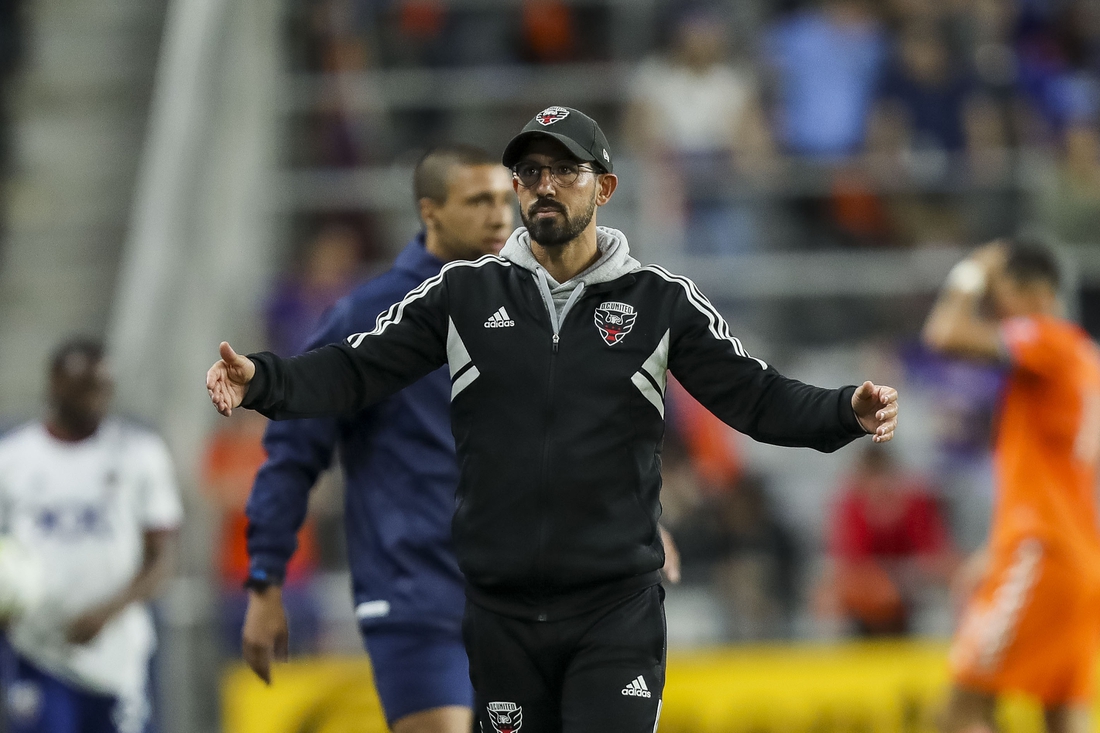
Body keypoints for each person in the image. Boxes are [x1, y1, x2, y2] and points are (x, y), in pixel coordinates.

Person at [209, 106, 899, 733]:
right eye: (530, 171)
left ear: (604, 188)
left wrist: (844, 410)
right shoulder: (462, 294)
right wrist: (263, 379)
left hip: (614, 610)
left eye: (564, 170)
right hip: (501, 614)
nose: (543, 184)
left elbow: (759, 398)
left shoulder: (658, 302)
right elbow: (354, 369)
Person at [241, 144, 515, 733]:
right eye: (479, 201)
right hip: (414, 593)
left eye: (505, 200)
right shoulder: (366, 319)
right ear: (430, 212)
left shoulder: (530, 311)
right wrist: (265, 579)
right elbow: (294, 454)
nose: (500, 216)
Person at [922, 240, 1100, 733]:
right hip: (1077, 558)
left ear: (1035, 293)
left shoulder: (1045, 336)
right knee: (1064, 714)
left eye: (1000, 296)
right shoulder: (1085, 357)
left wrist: (970, 270)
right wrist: (994, 551)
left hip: (1043, 550)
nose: (994, 309)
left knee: (959, 713)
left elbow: (944, 334)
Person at [0, 338, 182, 733]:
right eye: (86, 387)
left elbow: (162, 560)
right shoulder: (11, 459)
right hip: (38, 651)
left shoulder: (140, 454)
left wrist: (106, 612)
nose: (97, 398)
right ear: (55, 384)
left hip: (118, 658)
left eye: (103, 388)